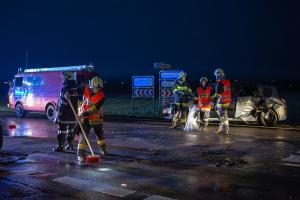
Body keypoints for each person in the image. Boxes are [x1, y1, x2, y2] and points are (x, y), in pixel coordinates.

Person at [66, 76, 107, 162]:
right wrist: (68, 92)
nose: (97, 90)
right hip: (85, 118)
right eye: (96, 88)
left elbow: (94, 109)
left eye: (99, 88)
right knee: (84, 135)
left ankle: (103, 149)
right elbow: (76, 91)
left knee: (99, 135)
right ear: (91, 86)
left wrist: (83, 114)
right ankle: (80, 154)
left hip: (96, 118)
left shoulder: (102, 96)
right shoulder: (85, 89)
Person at [53, 71, 79, 151]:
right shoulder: (76, 88)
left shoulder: (65, 89)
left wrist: (58, 115)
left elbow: (63, 104)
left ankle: (60, 146)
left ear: (67, 77)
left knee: (62, 131)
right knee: (71, 131)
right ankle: (70, 145)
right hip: (74, 115)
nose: (62, 79)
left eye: (63, 77)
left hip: (65, 116)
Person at [211, 68, 231, 135]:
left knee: (223, 116)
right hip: (227, 101)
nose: (216, 77)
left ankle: (225, 130)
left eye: (216, 75)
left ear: (219, 75)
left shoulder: (220, 83)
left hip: (222, 102)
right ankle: (224, 128)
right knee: (224, 115)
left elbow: (217, 94)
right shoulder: (227, 81)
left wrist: (213, 102)